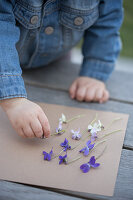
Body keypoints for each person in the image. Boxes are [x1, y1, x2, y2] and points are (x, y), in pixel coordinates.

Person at [0, 0, 123, 139]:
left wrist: (95, 71)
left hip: (57, 61)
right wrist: (13, 100)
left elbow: (107, 21)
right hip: (5, 66)